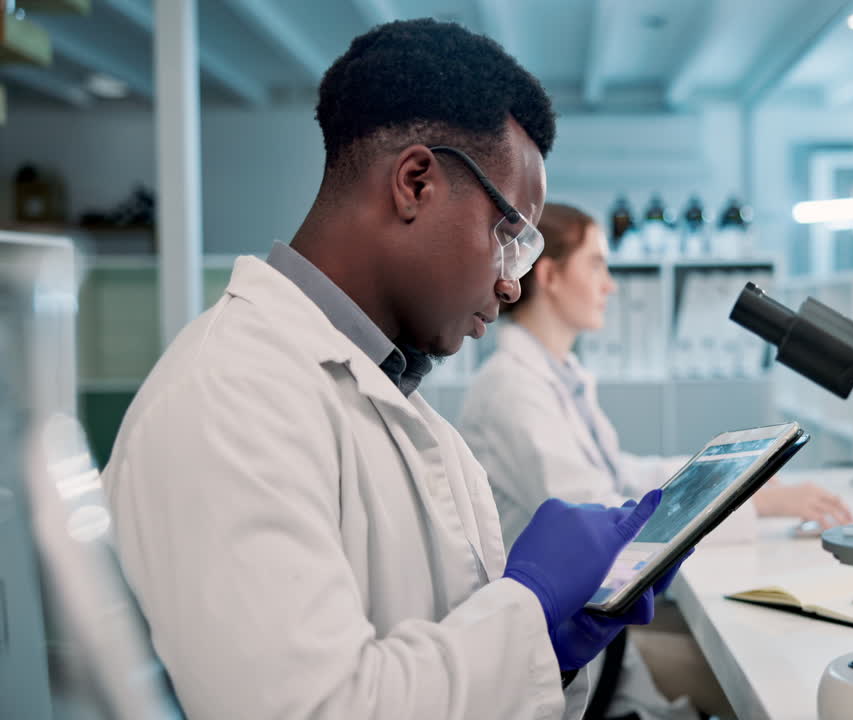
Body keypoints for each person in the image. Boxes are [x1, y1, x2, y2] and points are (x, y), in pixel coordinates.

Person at [101, 20, 680, 720]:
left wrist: (547, 649)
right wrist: (526, 608)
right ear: (415, 183)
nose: (510, 284)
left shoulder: (391, 398)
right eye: (507, 236)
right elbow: (317, 710)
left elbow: (432, 654)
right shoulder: (225, 399)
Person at [456, 203, 853, 719]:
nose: (610, 285)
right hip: (565, 647)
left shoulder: (559, 374)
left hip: (591, 624)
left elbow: (620, 472)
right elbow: (599, 516)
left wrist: (734, 481)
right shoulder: (511, 387)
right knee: (773, 670)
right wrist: (752, 506)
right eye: (596, 265)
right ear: (549, 276)